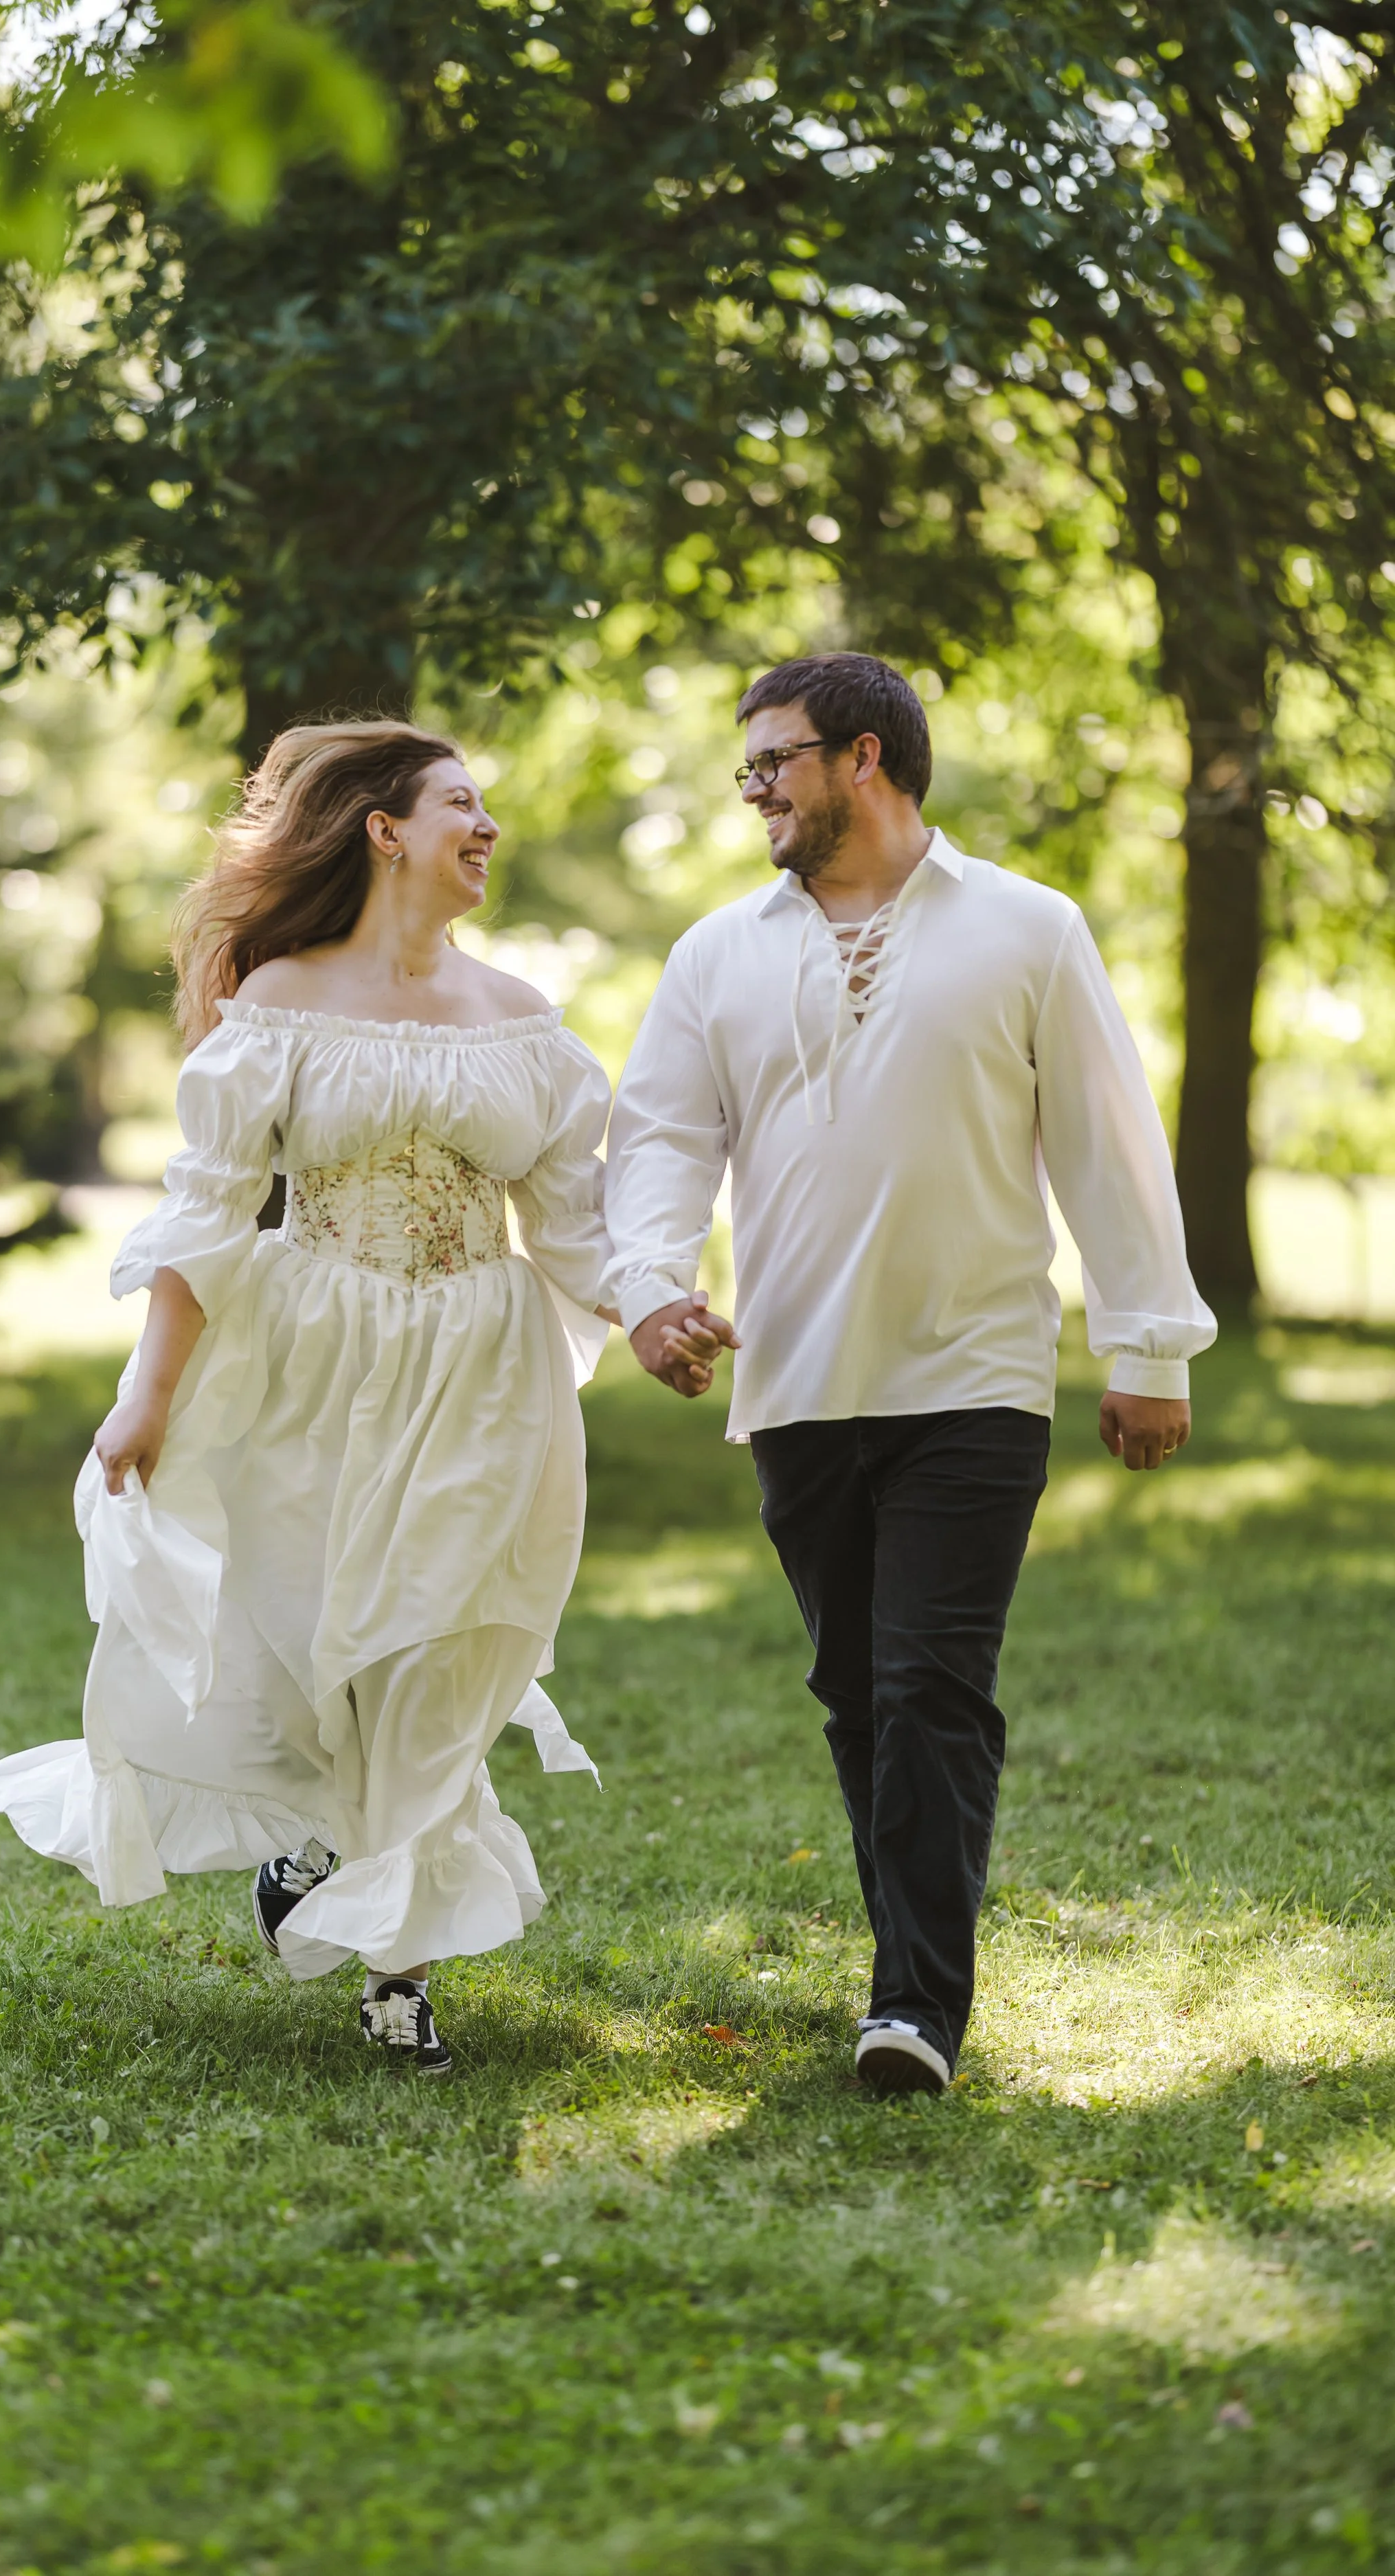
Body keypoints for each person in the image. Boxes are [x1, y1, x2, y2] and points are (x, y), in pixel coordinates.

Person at [603, 653, 1215, 2097]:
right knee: (853, 1693)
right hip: (797, 1383)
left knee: (929, 1683)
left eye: (772, 762)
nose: (750, 788)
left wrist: (1143, 1347)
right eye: (744, 768)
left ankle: (910, 2010)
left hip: (973, 1378)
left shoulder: (1024, 928)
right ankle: (910, 1974)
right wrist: (645, 1291)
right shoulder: (716, 954)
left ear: (862, 758)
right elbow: (658, 1148)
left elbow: (1107, 1146)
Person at [0, 721, 618, 2079]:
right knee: (311, 1644)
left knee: (436, 1650)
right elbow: (203, 1220)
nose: (486, 823)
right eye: (462, 801)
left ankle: (399, 1977)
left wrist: (663, 1307)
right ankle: (315, 1854)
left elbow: (572, 1231)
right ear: (385, 830)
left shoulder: (524, 1022)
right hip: (314, 1358)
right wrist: (145, 1401)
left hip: (479, 1371)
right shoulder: (277, 1000)